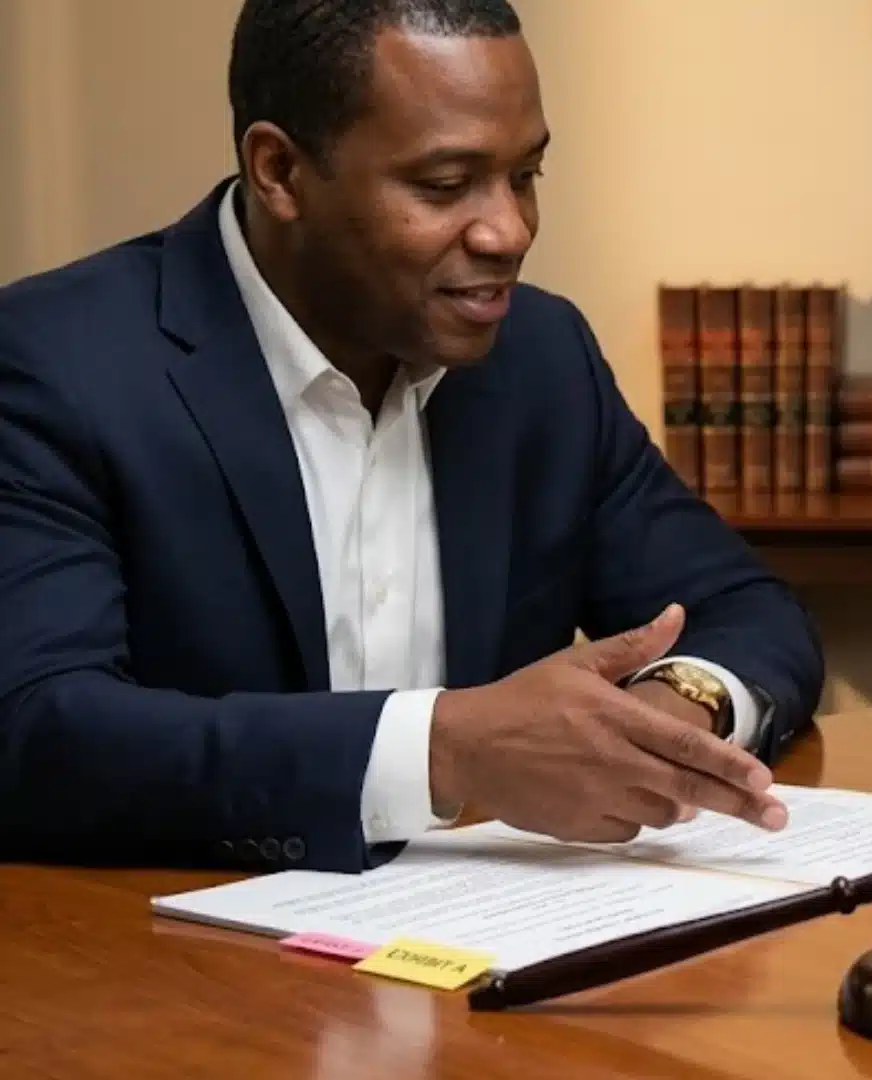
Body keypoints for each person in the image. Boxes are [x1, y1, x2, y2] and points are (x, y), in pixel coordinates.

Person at [0, 0, 824, 874]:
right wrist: (445, 749)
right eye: (445, 185)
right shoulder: (53, 364)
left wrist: (666, 715)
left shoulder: (543, 357)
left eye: (526, 175)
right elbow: (35, 728)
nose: (509, 231)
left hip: (492, 934)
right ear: (280, 171)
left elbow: (746, 611)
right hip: (165, 938)